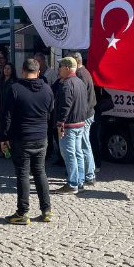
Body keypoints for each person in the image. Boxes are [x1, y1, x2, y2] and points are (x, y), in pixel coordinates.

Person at [1, 58, 55, 224]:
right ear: (38, 72)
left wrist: (3, 138)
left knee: (23, 175)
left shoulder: (15, 89)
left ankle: (22, 213)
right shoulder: (47, 89)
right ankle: (46, 211)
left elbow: (6, 116)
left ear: (23, 71)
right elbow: (51, 111)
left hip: (22, 138)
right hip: (41, 137)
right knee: (40, 172)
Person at [52, 57, 89, 195]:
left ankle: (72, 183)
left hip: (69, 125)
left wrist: (60, 124)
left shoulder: (66, 84)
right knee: (78, 153)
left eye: (60, 66)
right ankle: (79, 182)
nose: (58, 69)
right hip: (79, 123)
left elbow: (65, 106)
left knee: (69, 154)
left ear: (67, 68)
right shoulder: (80, 82)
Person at [72, 52, 97, 185]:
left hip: (85, 114)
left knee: (84, 144)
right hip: (88, 112)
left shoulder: (81, 74)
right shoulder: (85, 72)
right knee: (85, 144)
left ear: (76, 61)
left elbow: (81, 97)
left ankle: (89, 174)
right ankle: (89, 173)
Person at [0, 62, 17, 140]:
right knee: (1, 132)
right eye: (5, 68)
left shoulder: (14, 82)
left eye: (8, 69)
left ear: (12, 70)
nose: (6, 70)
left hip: (10, 112)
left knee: (8, 132)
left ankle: (9, 151)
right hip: (0, 110)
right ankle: (4, 151)